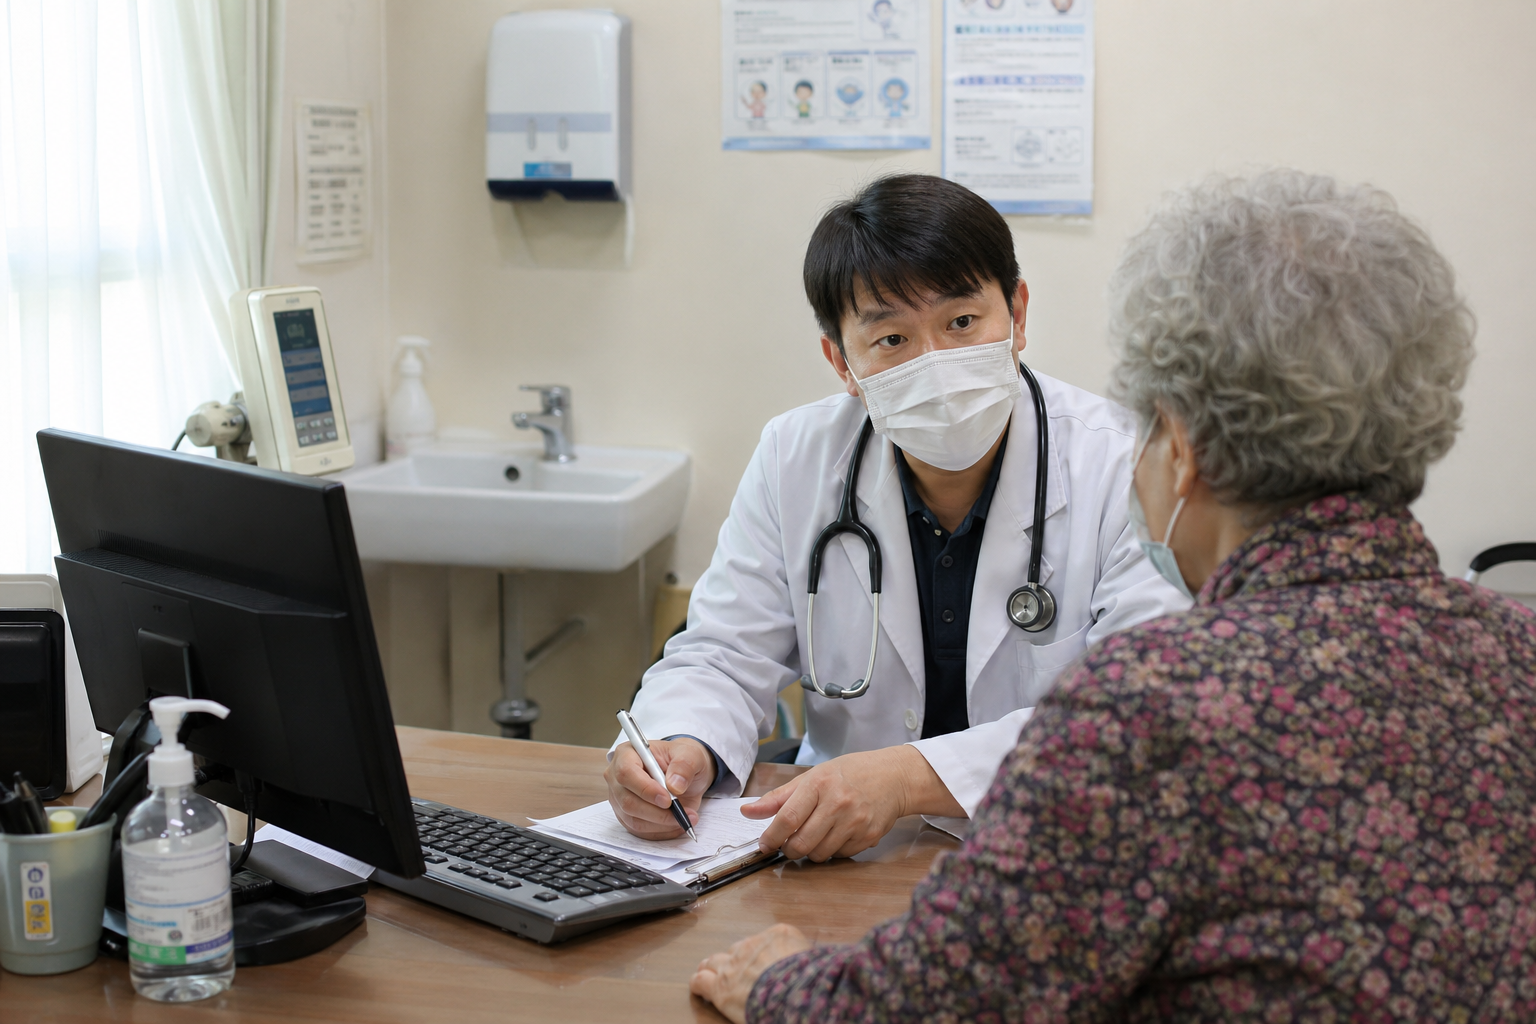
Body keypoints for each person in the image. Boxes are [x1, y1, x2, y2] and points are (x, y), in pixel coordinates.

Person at [690, 170, 1536, 1022]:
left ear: (1187, 452)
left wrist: (779, 985)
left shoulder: (1157, 706)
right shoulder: (1520, 650)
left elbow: (937, 1002)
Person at [605, 174, 1188, 863]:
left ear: (1018, 314)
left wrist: (908, 777)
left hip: (1054, 849)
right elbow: (725, 653)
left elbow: (1141, 708)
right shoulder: (796, 456)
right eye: (891, 339)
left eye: (962, 323)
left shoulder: (1125, 463)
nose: (936, 362)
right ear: (841, 361)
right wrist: (677, 743)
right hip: (844, 855)